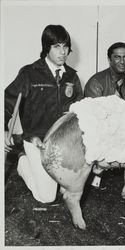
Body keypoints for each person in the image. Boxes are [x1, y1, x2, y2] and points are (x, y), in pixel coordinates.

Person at [4, 24, 83, 202]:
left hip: (63, 142)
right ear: (46, 48)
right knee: (47, 197)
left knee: (69, 186)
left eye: (65, 46)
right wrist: (3, 129)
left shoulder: (72, 76)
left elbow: (80, 111)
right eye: (56, 46)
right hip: (36, 140)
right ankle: (23, 161)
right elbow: (7, 101)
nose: (63, 52)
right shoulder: (29, 74)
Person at [84, 42, 125, 189]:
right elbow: (93, 119)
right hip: (101, 130)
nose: (122, 62)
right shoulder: (96, 82)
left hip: (124, 131)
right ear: (109, 59)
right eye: (117, 57)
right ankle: (97, 173)